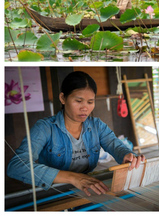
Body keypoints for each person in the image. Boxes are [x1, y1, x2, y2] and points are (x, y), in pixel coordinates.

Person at [7, 71, 145, 196]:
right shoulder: (45, 128)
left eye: (90, 102)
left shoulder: (97, 126)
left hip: (88, 188)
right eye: (78, 101)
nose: (85, 108)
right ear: (63, 98)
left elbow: (116, 146)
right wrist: (73, 177)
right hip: (55, 192)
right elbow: (16, 167)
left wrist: (128, 156)